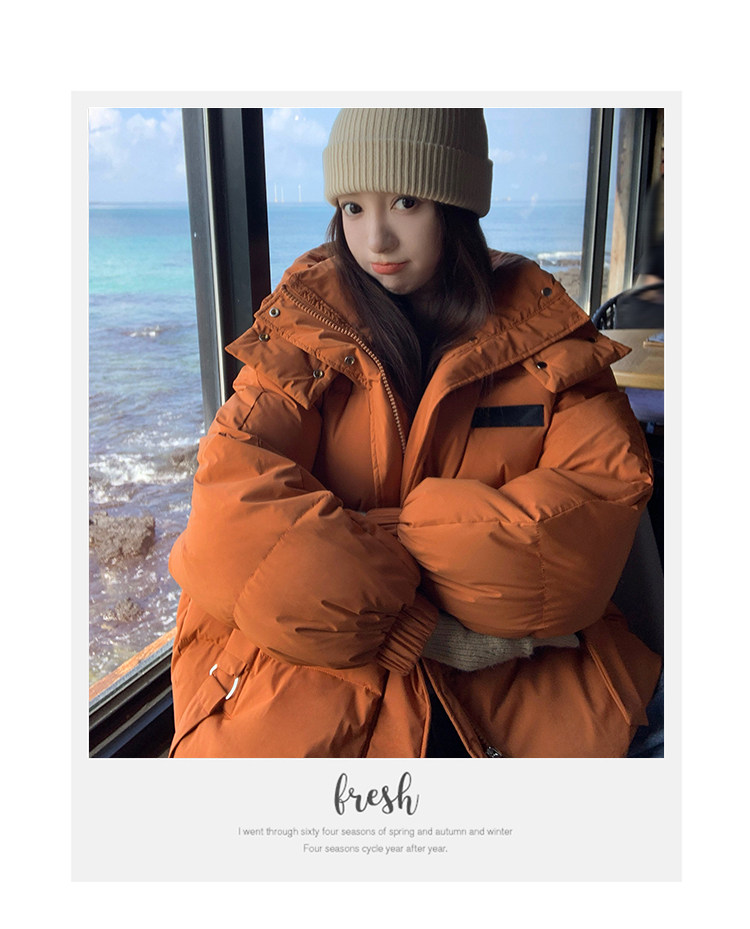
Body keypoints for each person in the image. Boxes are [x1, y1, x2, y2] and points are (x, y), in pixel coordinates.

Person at [168, 108, 663, 758]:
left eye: (406, 201)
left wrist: (362, 536)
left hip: (517, 692)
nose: (375, 237)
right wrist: (421, 628)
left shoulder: (548, 342)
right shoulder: (301, 334)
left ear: (457, 206)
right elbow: (227, 523)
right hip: (307, 684)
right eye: (352, 207)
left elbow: (589, 532)